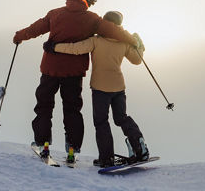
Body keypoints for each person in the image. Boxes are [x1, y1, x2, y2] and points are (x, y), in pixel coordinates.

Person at [12, 0, 137, 158]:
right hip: (74, 73)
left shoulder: (55, 13)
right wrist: (132, 40)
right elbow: (112, 31)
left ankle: (42, 143)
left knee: (44, 106)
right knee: (72, 109)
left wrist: (19, 36)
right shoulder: (93, 19)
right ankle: (73, 147)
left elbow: (35, 29)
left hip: (50, 69)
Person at [43, 10, 149, 167]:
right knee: (121, 118)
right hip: (119, 87)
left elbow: (75, 48)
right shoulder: (124, 43)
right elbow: (137, 60)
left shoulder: (96, 41)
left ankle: (106, 158)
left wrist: (55, 47)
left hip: (100, 88)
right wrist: (140, 45)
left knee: (101, 122)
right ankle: (140, 147)